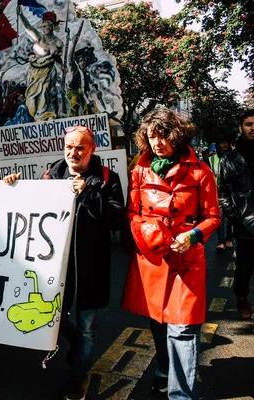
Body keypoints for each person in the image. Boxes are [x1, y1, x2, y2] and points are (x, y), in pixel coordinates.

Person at [4, 125, 124, 399]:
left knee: (87, 328)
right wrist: (13, 187)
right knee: (55, 320)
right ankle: (76, 350)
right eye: (69, 146)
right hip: (54, 268)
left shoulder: (106, 178)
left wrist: (90, 194)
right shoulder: (51, 175)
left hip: (90, 269)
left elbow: (117, 219)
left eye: (80, 147)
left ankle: (77, 376)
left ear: (92, 150)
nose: (74, 152)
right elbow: (28, 210)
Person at [121, 109, 220, 399]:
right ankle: (164, 369)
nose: (157, 143)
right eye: (152, 137)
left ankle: (181, 395)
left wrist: (192, 235)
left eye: (163, 136)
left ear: (176, 136)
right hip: (153, 258)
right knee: (159, 322)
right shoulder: (139, 170)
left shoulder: (201, 171)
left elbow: (213, 217)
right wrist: (146, 231)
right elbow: (132, 211)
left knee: (183, 327)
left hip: (187, 261)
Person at [218, 109, 254, 320]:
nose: (253, 128)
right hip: (244, 225)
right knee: (244, 268)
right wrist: (234, 217)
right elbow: (222, 191)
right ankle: (242, 298)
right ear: (241, 127)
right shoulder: (230, 159)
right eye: (248, 124)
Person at [18, 10, 64, 121]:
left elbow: (58, 59)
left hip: (47, 72)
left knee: (44, 92)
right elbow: (28, 27)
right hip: (34, 72)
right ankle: (32, 118)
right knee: (31, 98)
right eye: (42, 26)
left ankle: (44, 118)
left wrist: (62, 66)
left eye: (46, 26)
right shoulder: (39, 38)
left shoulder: (57, 42)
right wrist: (21, 15)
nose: (43, 29)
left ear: (52, 27)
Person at [208, 135, 234, 252]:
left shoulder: (234, 157)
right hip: (218, 192)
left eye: (226, 142)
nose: (224, 145)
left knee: (231, 217)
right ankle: (221, 242)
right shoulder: (211, 159)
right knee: (220, 217)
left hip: (232, 191)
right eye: (221, 142)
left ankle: (229, 239)